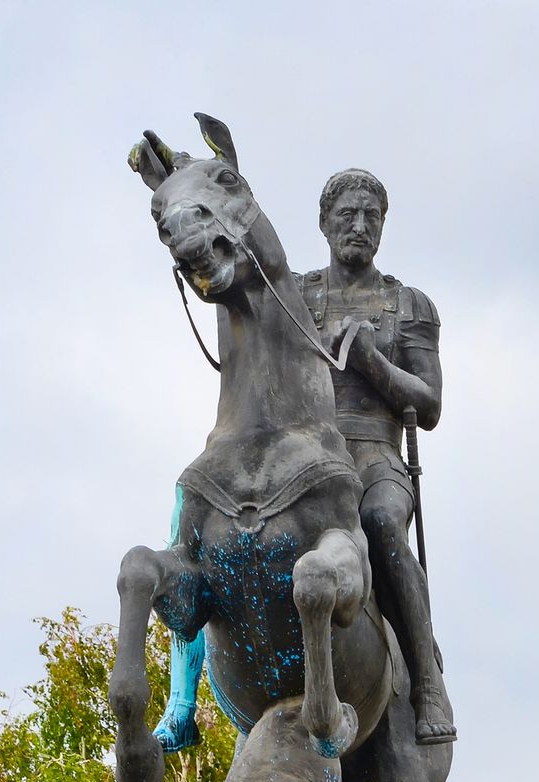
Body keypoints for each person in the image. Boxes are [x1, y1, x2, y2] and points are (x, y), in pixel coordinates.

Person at [155, 167, 456, 750]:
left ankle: (427, 679)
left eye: (371, 217)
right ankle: (181, 698)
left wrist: (372, 362)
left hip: (371, 455)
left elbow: (430, 402)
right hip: (296, 449)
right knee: (194, 531)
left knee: (382, 524)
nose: (360, 226)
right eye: (347, 215)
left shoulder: (410, 304)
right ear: (323, 224)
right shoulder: (294, 290)